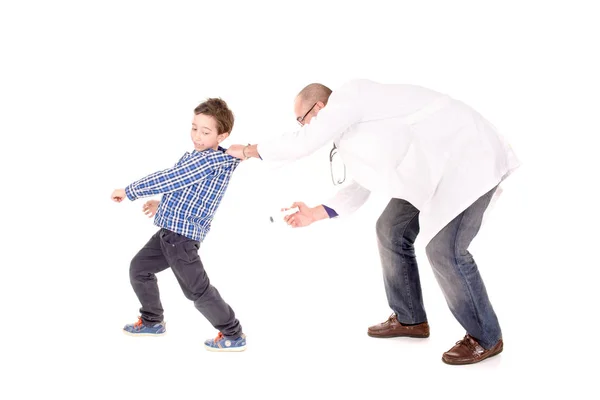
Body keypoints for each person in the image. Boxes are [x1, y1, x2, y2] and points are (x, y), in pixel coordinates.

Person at [227, 79, 519, 364]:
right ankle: (410, 319)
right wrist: (316, 212)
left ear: (319, 108)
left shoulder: (350, 97)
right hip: (430, 171)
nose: (304, 127)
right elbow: (364, 183)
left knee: (445, 250)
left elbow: (302, 144)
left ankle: (486, 337)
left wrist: (248, 150)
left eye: (303, 119)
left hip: (468, 157)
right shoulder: (357, 130)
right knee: (390, 229)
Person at [111, 98, 247, 352]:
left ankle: (233, 333)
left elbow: (170, 179)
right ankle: (152, 320)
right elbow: (187, 192)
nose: (197, 136)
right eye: (194, 127)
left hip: (181, 240)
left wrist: (129, 191)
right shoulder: (202, 156)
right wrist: (161, 206)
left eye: (206, 132)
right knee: (139, 268)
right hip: (168, 234)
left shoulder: (208, 161)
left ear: (223, 135)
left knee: (197, 291)